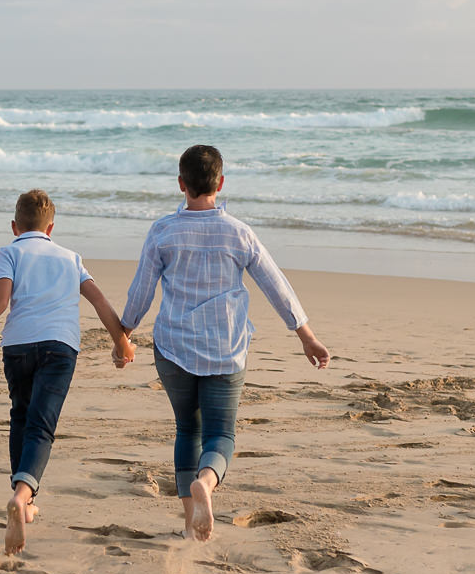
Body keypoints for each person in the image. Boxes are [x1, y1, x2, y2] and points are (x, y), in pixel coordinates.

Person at [120, 144, 329, 541]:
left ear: (181, 184)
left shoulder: (163, 231)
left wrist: (124, 334)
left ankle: (188, 523)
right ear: (220, 182)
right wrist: (307, 336)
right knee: (220, 435)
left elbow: (140, 294)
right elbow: (276, 286)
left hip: (173, 348)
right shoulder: (238, 232)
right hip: (225, 348)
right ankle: (208, 481)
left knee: (187, 428)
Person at [0, 189, 136, 554]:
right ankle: (22, 496)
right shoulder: (70, 257)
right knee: (42, 424)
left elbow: (0, 301)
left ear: (15, 226)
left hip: (17, 346)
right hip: (60, 347)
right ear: (51, 227)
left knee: (21, 416)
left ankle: (24, 501)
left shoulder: (9, 251)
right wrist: (121, 342)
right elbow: (99, 301)